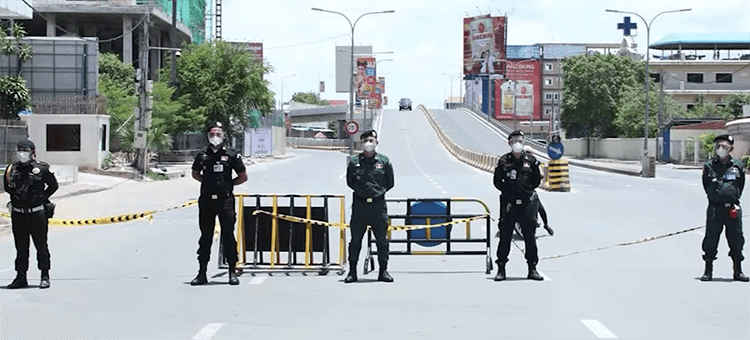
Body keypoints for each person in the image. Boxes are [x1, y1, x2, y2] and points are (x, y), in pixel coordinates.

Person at [190, 122, 248, 286]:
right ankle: (202, 273)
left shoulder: (231, 154)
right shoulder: (202, 155)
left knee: (228, 235)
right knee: (205, 236)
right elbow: (195, 174)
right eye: (212, 134)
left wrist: (227, 185)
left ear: (223, 135)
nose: (215, 137)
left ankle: (232, 272)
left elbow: (243, 177)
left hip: (225, 200)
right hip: (207, 200)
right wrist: (209, 183)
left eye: (218, 134)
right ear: (208, 136)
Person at [3, 139, 58, 289]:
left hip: (37, 214)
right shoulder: (12, 169)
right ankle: (21, 277)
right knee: (21, 247)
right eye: (19, 150)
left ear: (32, 153)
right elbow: (8, 187)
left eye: (25, 151)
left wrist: (41, 198)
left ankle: (44, 276)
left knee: (41, 245)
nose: (22, 154)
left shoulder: (41, 169)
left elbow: (53, 185)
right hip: (18, 214)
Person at [344, 130, 395, 283]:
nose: (368, 143)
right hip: (360, 206)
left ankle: (383, 271)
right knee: (355, 241)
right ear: (361, 143)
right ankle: (352, 272)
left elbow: (390, 182)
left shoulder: (384, 161)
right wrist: (363, 192)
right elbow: (350, 182)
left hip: (378, 207)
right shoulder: (354, 162)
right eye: (365, 140)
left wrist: (377, 192)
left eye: (371, 140)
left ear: (376, 143)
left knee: (382, 241)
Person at [493, 130, 544, 281]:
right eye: (515, 140)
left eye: (520, 140)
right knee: (505, 235)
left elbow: (536, 180)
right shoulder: (504, 161)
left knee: (529, 236)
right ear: (509, 143)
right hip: (509, 202)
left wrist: (525, 191)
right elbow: (497, 182)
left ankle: (532, 268)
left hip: (527, 203)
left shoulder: (531, 160)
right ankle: (501, 269)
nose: (518, 143)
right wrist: (509, 192)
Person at [700, 134, 748, 282]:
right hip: (715, 209)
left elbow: (740, 185)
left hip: (732, 209)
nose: (721, 149)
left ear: (731, 149)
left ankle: (738, 271)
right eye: (718, 146)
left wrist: (732, 199)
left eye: (724, 147)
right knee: (711, 239)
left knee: (736, 239)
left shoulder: (737, 165)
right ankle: (708, 270)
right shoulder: (709, 165)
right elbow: (706, 185)